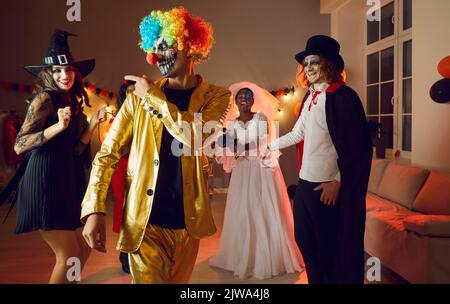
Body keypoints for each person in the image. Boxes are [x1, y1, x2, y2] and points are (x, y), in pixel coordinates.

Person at [81, 7, 231, 284]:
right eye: (155, 47)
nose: (158, 54)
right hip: (145, 222)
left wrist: (153, 96)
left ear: (189, 45)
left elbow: (195, 137)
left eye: (167, 45)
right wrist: (94, 208)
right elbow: (107, 153)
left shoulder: (217, 96)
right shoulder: (136, 98)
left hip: (187, 223)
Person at [263, 35, 372, 284]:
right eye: (306, 63)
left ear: (330, 65)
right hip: (305, 183)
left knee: (328, 249)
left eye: (315, 62)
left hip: (327, 187)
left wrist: (338, 181)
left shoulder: (344, 98)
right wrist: (267, 147)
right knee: (304, 240)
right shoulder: (310, 97)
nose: (309, 68)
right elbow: (297, 133)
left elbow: (358, 149)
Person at [14, 30, 106, 284]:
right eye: (56, 71)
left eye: (68, 70)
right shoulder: (45, 98)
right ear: (47, 74)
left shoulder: (70, 98)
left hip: (64, 177)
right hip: (44, 180)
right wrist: (57, 127)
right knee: (67, 254)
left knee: (83, 248)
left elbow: (75, 150)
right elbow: (19, 145)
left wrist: (92, 125)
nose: (64, 75)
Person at [208, 82, 303, 280]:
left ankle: (268, 257)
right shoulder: (232, 123)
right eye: (240, 97)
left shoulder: (261, 118)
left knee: (262, 209)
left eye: (248, 97)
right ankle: (242, 256)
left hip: (261, 168)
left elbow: (258, 144)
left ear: (253, 101)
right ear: (235, 101)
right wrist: (226, 145)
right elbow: (234, 152)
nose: (244, 99)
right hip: (243, 170)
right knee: (243, 211)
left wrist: (232, 144)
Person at [98, 80, 135, 274]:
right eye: (130, 92)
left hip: (143, 168)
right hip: (123, 168)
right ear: (123, 96)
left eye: (137, 92)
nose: (134, 95)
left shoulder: (147, 115)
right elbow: (109, 143)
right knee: (125, 208)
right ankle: (125, 254)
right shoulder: (117, 120)